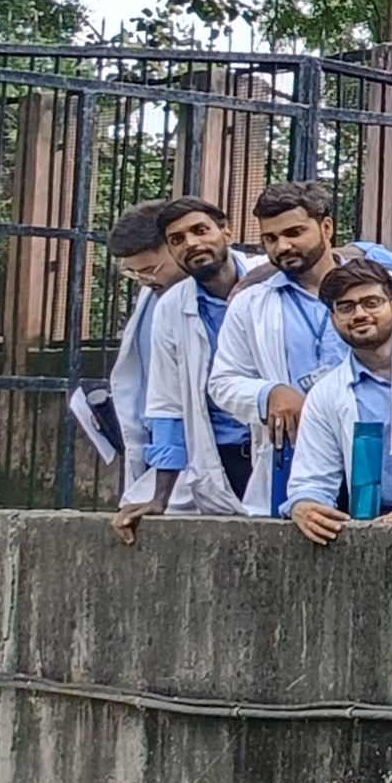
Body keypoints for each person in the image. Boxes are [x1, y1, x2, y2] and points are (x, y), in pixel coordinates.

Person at [215, 180, 392, 518]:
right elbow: (222, 382)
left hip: (382, 456)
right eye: (271, 238)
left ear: (326, 227)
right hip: (296, 460)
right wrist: (269, 393)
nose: (283, 246)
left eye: (294, 232)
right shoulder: (250, 303)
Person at [116, 197, 261, 536]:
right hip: (219, 456)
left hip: (281, 447)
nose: (191, 243)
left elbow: (362, 259)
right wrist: (159, 498)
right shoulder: (169, 306)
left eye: (200, 231)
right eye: (177, 239)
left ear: (226, 231)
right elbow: (168, 405)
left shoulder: (273, 280)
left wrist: (270, 269)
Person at [281, 254, 392, 542]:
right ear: (333, 318)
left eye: (371, 303)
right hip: (372, 528)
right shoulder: (326, 394)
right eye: (345, 307)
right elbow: (312, 477)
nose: (359, 314)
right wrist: (304, 503)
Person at [86, 202, 180, 494]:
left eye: (150, 269)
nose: (145, 280)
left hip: (187, 448)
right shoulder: (152, 294)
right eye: (134, 274)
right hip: (151, 442)